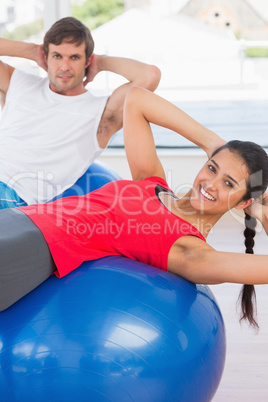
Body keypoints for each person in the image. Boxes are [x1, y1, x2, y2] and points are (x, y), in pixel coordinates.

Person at [1, 87, 268, 330]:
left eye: (228, 183)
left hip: (33, 247)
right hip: (17, 217)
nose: (210, 183)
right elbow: (137, 99)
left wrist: (263, 214)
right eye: (212, 167)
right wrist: (215, 145)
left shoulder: (189, 251)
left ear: (244, 201)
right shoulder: (152, 182)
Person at [0, 17, 161, 208]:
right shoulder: (18, 83)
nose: (64, 67)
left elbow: (149, 76)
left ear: (87, 60)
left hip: (12, 193)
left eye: (74, 57)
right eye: (57, 56)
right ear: (46, 56)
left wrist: (101, 63)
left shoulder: (102, 115)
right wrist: (33, 51)